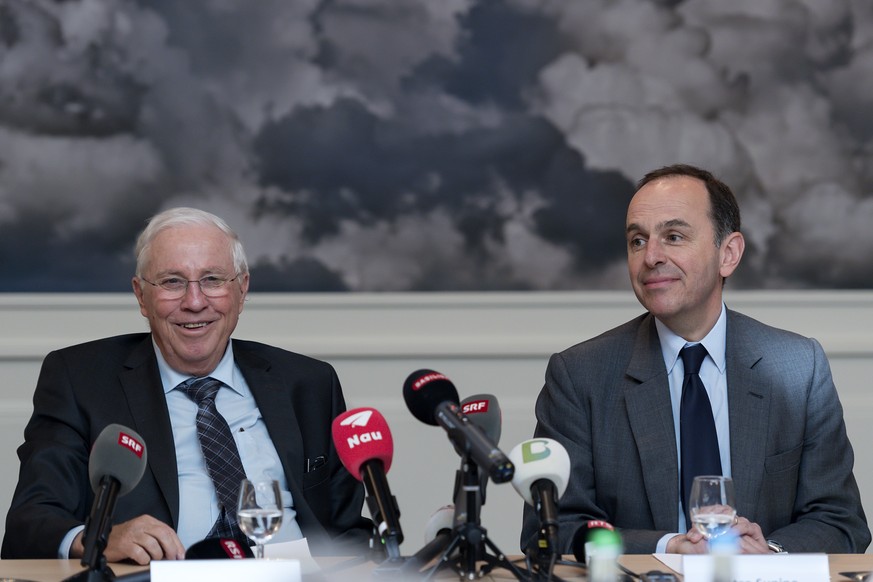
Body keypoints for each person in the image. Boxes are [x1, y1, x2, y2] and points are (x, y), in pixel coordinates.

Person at [521, 164, 870, 555]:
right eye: (637, 240)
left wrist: (767, 552)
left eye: (673, 236)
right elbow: (554, 530)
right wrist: (670, 547)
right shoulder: (580, 376)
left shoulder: (799, 369)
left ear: (729, 254)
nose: (651, 256)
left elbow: (840, 521)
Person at [1, 207, 372, 563]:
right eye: (172, 282)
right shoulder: (81, 379)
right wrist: (97, 537)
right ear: (141, 295)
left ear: (242, 290)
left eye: (212, 280)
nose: (194, 302)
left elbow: (347, 535)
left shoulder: (308, 383)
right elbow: (29, 524)